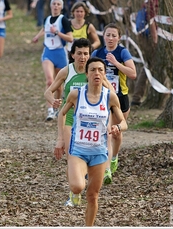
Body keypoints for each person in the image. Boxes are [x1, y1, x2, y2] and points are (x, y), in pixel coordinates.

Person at [54, 57, 128, 226]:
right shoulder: (76, 94)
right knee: (78, 187)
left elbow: (124, 122)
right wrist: (60, 139)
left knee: (93, 196)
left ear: (104, 75)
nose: (97, 73)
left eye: (100, 70)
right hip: (78, 150)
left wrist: (118, 127)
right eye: (93, 70)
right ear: (86, 74)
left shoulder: (110, 97)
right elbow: (62, 113)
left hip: (99, 153)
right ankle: (75, 190)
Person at [45, 38, 113, 206]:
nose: (83, 57)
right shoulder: (66, 71)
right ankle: (74, 194)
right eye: (80, 53)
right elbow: (48, 91)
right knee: (71, 156)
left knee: (92, 158)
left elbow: (111, 95)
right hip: (70, 120)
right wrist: (53, 101)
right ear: (73, 55)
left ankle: (91, 184)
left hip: (93, 122)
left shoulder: (94, 72)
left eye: (86, 54)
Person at [91, 23, 136, 184]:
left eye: (113, 35)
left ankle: (114, 157)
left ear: (119, 37)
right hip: (103, 98)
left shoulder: (122, 52)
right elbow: (88, 73)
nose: (110, 38)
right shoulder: (97, 52)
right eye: (108, 35)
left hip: (120, 97)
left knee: (116, 133)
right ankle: (107, 168)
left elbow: (133, 74)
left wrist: (116, 63)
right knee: (107, 132)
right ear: (103, 36)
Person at [32, 0, 73, 121]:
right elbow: (45, 28)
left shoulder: (64, 20)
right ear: (51, 6)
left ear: (61, 7)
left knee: (59, 86)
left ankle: (56, 107)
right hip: (48, 52)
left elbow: (70, 38)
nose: (55, 6)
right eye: (54, 4)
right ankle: (50, 110)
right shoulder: (47, 19)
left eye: (58, 4)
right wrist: (37, 36)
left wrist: (57, 33)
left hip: (60, 53)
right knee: (50, 81)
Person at [131, 0, 160, 106]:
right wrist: (155, 39)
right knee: (150, 65)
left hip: (143, 36)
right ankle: (137, 96)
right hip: (149, 37)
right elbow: (152, 20)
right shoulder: (155, 0)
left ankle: (138, 96)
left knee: (148, 65)